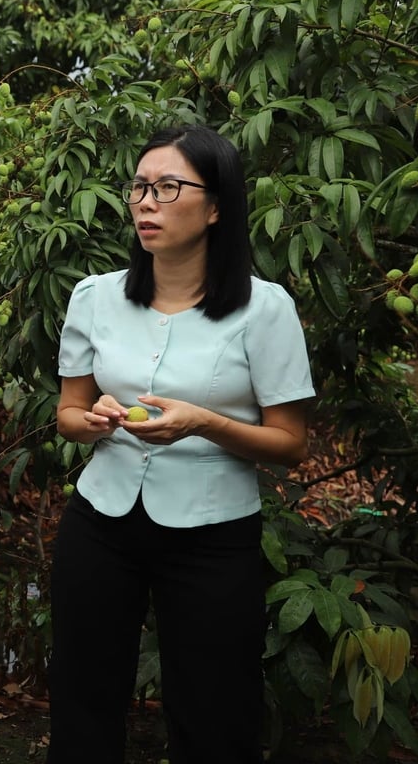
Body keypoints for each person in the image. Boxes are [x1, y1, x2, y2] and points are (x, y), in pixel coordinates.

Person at [48, 125, 315, 763]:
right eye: (140, 187)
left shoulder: (264, 309)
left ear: (216, 205)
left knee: (214, 709)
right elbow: (68, 411)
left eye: (168, 188)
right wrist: (95, 419)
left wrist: (204, 422)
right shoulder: (96, 298)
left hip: (212, 534)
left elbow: (291, 443)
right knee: (83, 697)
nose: (146, 202)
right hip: (102, 520)